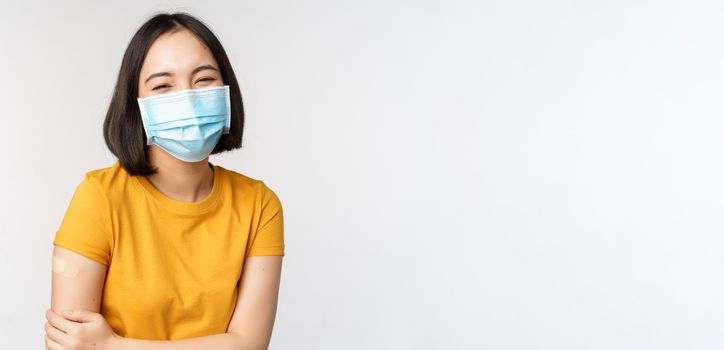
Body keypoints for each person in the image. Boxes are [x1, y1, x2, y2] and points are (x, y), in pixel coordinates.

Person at [44, 12, 285, 349]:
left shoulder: (259, 205)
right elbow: (70, 345)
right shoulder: (98, 198)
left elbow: (249, 345)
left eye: (203, 79)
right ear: (136, 106)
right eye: (163, 85)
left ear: (226, 89)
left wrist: (114, 345)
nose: (187, 97)